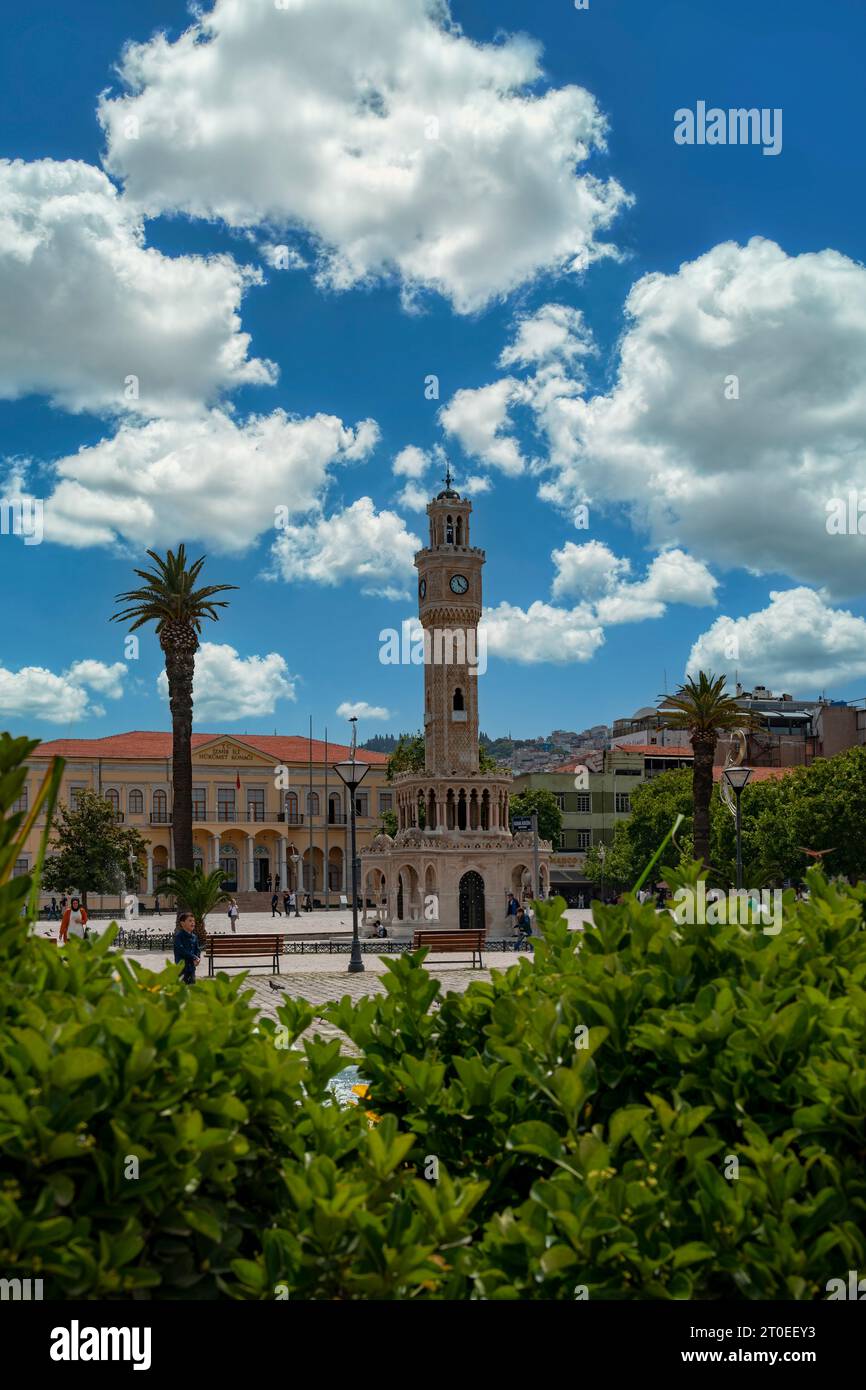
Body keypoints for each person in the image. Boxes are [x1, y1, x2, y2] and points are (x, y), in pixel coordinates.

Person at [173, 910, 200, 986]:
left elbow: (197, 949)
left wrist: (197, 958)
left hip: (191, 968)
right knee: (182, 988)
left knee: (192, 987)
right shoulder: (179, 936)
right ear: (182, 923)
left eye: (193, 921)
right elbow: (182, 950)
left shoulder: (194, 937)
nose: (192, 923)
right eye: (190, 921)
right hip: (181, 968)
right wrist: (194, 957)